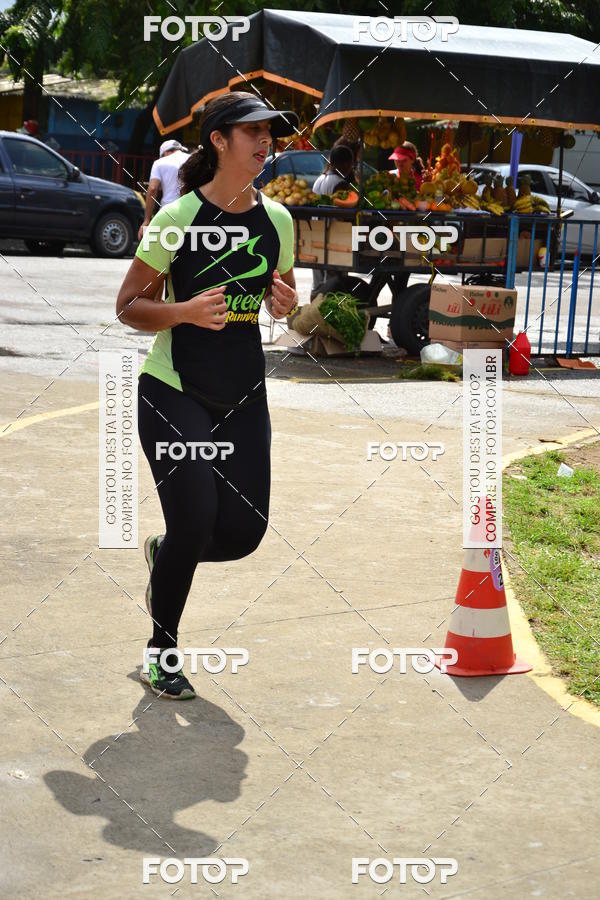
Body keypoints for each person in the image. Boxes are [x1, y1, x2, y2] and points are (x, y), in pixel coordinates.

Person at [116, 91, 299, 699]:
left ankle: (165, 556)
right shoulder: (176, 220)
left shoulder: (277, 221)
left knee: (244, 533)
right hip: (172, 389)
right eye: (253, 132)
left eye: (270, 133)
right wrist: (186, 311)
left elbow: (283, 291)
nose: (265, 141)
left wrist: (285, 304)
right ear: (219, 141)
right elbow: (128, 307)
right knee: (195, 519)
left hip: (243, 392)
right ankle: (162, 650)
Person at [312, 143, 356, 294]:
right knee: (335, 281)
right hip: (335, 237)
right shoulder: (341, 184)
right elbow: (347, 210)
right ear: (345, 164)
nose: (351, 167)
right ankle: (326, 309)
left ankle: (316, 306)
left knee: (319, 280)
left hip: (315, 235)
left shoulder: (319, 179)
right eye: (351, 164)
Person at [138, 139, 190, 240]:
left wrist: (147, 220)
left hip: (168, 210)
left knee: (163, 248)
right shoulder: (192, 159)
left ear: (165, 153)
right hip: (191, 211)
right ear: (180, 149)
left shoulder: (159, 163)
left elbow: (153, 189)